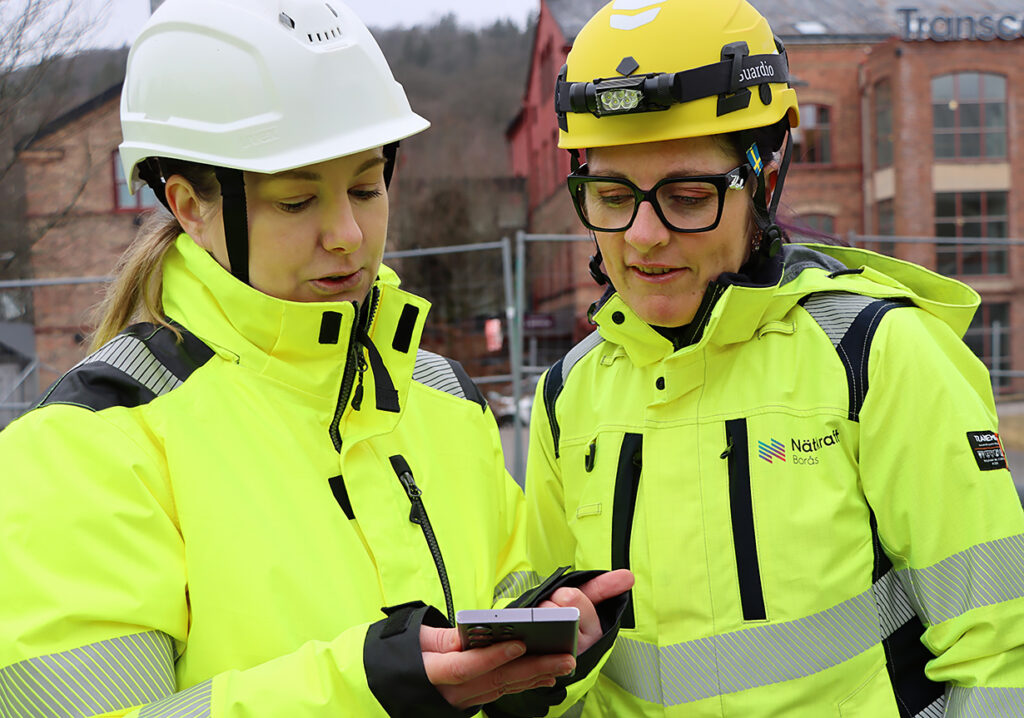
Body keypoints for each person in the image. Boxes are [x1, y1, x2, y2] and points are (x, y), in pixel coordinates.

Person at [0, 1, 633, 716]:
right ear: (188, 205)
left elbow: (506, 610)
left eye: (366, 187)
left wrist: (539, 656)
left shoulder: (441, 396)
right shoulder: (88, 445)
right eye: (296, 202)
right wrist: (364, 689)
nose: (347, 233)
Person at [524, 0, 1024, 715]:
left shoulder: (875, 357)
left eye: (687, 197)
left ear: (762, 178)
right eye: (610, 195)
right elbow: (551, 669)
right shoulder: (567, 395)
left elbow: (1002, 651)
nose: (642, 237)